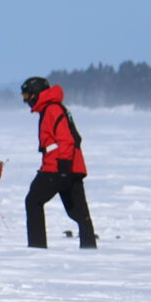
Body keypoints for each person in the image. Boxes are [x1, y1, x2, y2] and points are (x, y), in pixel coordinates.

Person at [19, 77, 97, 249]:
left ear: (36, 93)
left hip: (58, 167)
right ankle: (89, 249)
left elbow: (66, 140)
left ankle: (36, 248)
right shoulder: (51, 108)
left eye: (26, 95)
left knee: (33, 201)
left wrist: (63, 170)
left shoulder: (52, 109)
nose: (25, 100)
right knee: (78, 213)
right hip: (71, 167)